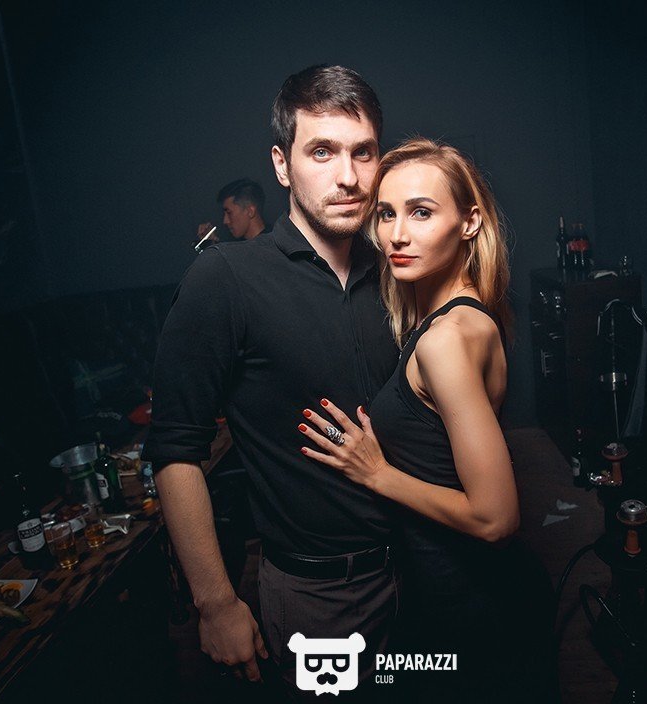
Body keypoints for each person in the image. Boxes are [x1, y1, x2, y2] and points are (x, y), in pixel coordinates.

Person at [143, 65, 400, 696]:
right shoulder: (225, 279)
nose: (348, 176)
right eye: (322, 152)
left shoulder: (397, 268)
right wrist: (215, 602)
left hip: (421, 565)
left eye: (363, 152)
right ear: (282, 166)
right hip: (320, 596)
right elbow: (175, 450)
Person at [298, 138, 557, 701]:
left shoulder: (447, 340)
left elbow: (496, 517)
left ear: (470, 222)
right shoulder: (461, 319)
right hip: (449, 594)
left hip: (471, 606)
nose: (396, 235)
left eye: (420, 212)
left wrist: (377, 475)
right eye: (385, 214)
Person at [197, 178, 270, 243]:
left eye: (229, 213)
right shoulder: (240, 248)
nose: (225, 221)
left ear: (250, 211)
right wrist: (211, 244)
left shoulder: (272, 245)